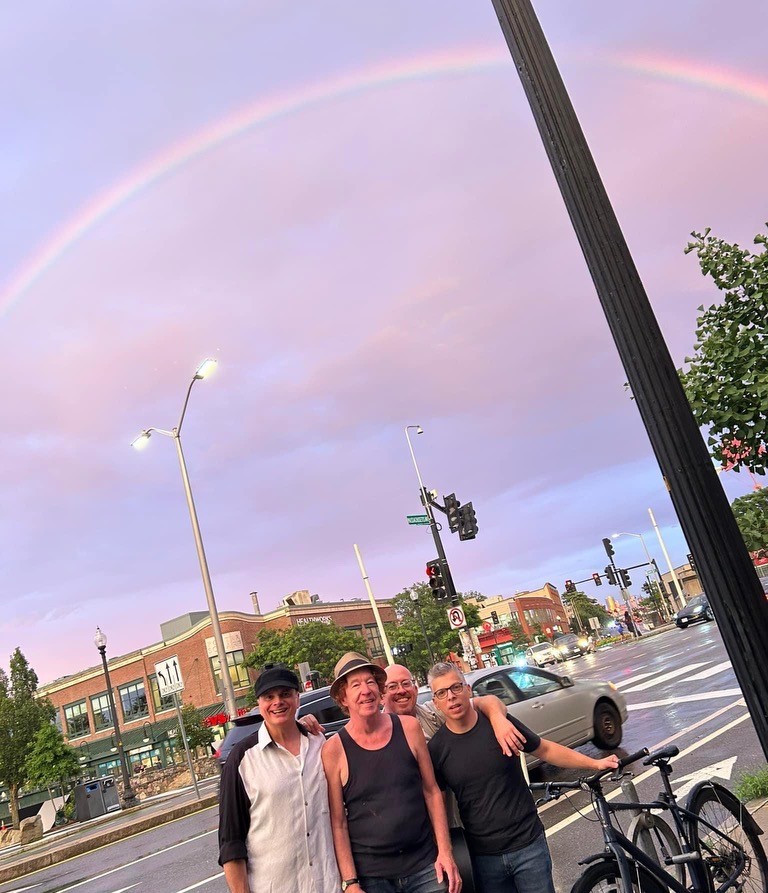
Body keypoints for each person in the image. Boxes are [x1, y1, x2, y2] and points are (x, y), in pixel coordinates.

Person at [426, 661, 619, 893]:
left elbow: (544, 749)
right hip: (484, 858)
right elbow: (436, 803)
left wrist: (595, 763)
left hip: (529, 846)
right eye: (442, 693)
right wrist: (444, 851)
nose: (451, 697)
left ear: (467, 690)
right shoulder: (437, 749)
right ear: (436, 702)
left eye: (456, 687)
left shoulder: (500, 725)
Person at [322, 652, 461, 893]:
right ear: (343, 697)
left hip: (425, 865)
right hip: (372, 877)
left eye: (370, 682)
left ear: (379, 689)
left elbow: (431, 791)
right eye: (355, 685)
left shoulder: (409, 728)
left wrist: (445, 852)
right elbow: (338, 823)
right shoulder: (334, 750)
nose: (366, 690)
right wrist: (350, 882)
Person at [218, 665, 340, 893]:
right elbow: (231, 842)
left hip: (327, 884)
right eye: (269, 697)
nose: (278, 702)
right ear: (259, 704)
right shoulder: (242, 759)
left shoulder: (319, 743)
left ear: (297, 698)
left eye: (285, 694)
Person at [382, 663, 525, 754]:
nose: (401, 690)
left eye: (406, 683)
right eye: (392, 686)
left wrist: (498, 720)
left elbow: (486, 701)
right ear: (381, 695)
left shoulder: (433, 712)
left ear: (415, 689)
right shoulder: (376, 735)